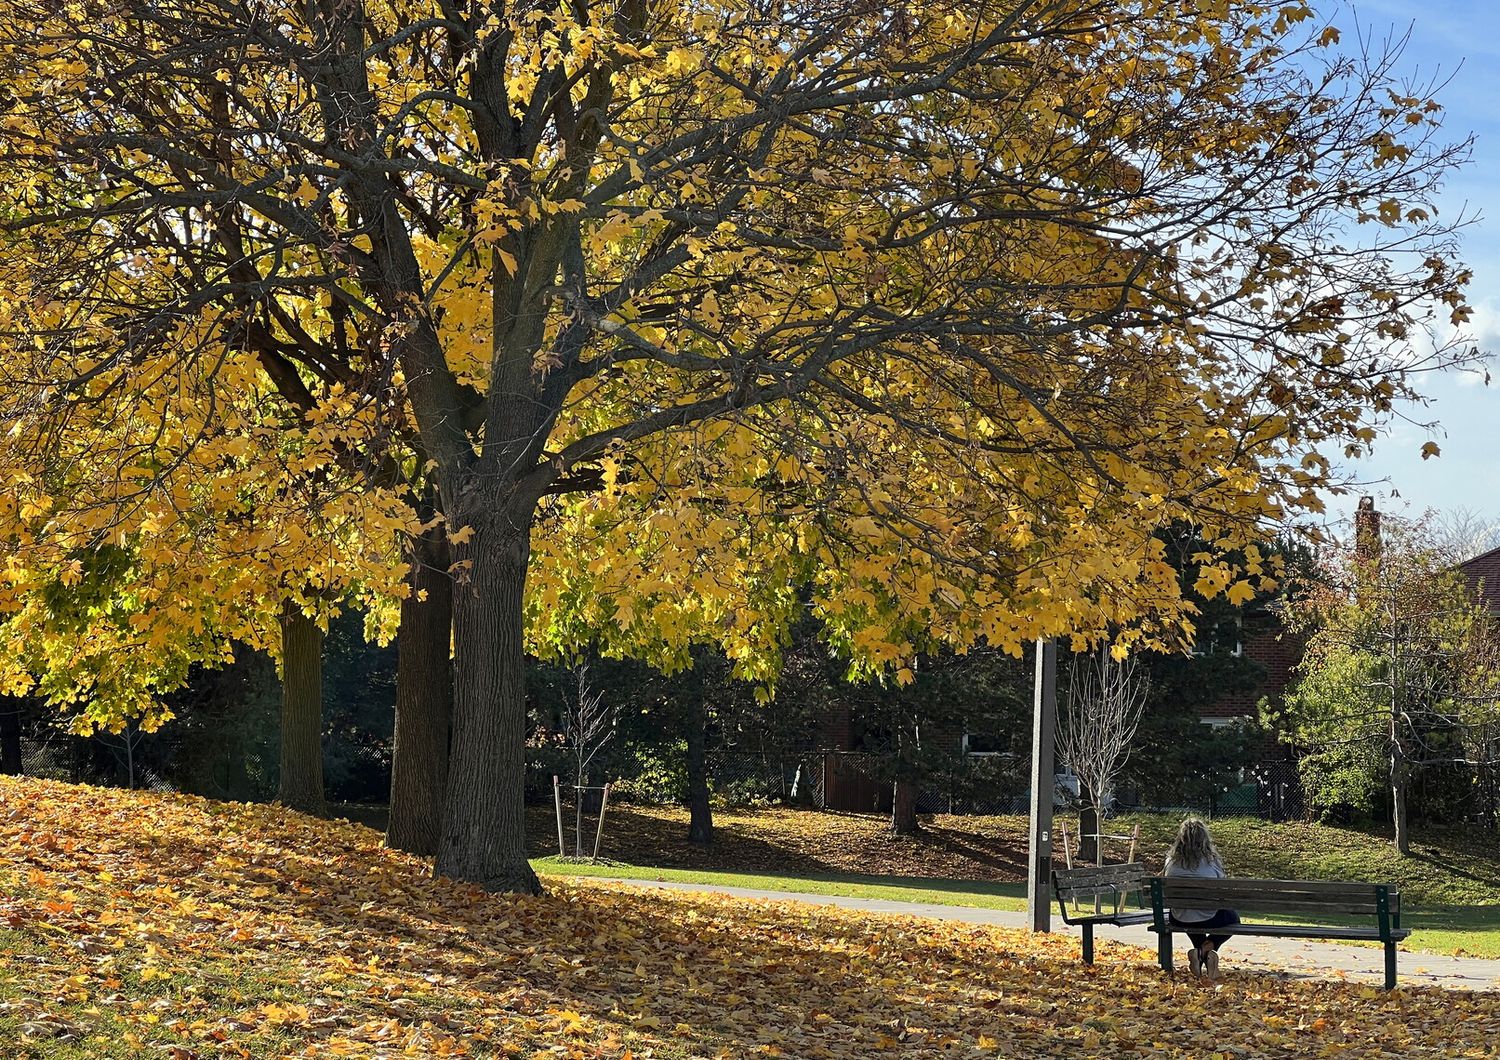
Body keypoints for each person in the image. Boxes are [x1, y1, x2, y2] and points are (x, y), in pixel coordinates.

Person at [1164, 816, 1239, 978]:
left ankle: (1199, 954)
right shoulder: (1211, 861)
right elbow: (1222, 889)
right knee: (1233, 918)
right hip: (1208, 917)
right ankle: (1206, 951)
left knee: (1191, 916)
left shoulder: (1171, 862)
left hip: (1178, 917)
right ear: (1204, 839)